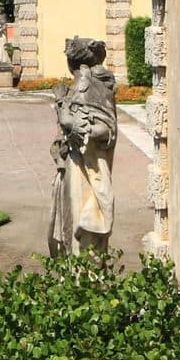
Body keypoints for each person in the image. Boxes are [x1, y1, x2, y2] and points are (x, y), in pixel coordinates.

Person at [49, 37, 117, 256]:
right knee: (73, 228)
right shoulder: (78, 91)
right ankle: (77, 282)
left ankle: (85, 284)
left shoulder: (91, 90)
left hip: (88, 173)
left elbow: (103, 130)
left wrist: (63, 106)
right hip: (75, 168)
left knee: (84, 231)